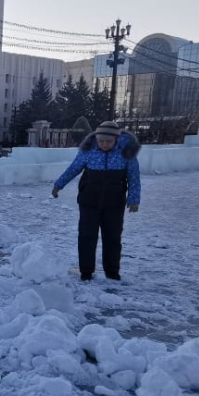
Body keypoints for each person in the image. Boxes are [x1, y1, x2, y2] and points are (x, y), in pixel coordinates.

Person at [51, 120, 141, 281]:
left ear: (116, 139)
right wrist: (59, 185)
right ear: (96, 139)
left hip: (114, 203)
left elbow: (133, 177)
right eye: (101, 141)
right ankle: (86, 271)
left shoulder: (126, 153)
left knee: (112, 237)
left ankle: (112, 271)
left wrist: (134, 199)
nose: (104, 144)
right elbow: (74, 168)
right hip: (89, 201)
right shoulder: (88, 151)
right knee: (86, 236)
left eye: (108, 141)